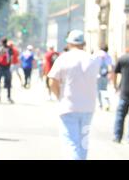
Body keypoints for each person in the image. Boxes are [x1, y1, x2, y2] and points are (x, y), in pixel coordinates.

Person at [48, 30, 99, 160]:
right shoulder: (92, 59)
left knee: (71, 143)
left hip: (68, 106)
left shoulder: (64, 58)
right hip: (88, 107)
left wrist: (59, 95)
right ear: (84, 43)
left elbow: (52, 81)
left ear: (69, 43)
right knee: (83, 143)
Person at [0, 38, 14, 103]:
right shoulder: (9, 49)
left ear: (1, 42)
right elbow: (11, 58)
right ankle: (8, 97)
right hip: (7, 68)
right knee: (8, 83)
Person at [95, 45, 113, 110]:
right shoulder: (108, 56)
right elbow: (110, 66)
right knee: (104, 90)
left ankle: (100, 105)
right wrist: (110, 75)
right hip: (105, 75)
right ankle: (107, 103)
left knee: (98, 90)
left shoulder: (97, 54)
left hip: (98, 75)